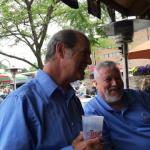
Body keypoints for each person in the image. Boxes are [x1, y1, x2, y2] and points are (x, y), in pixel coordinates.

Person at [0, 29, 103, 150]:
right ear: (61, 50)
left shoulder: (73, 100)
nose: (89, 61)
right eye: (84, 53)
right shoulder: (21, 102)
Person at [84, 60, 150, 150]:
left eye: (118, 78)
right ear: (96, 84)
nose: (115, 83)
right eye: (108, 79)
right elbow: (96, 147)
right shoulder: (91, 112)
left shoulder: (139, 96)